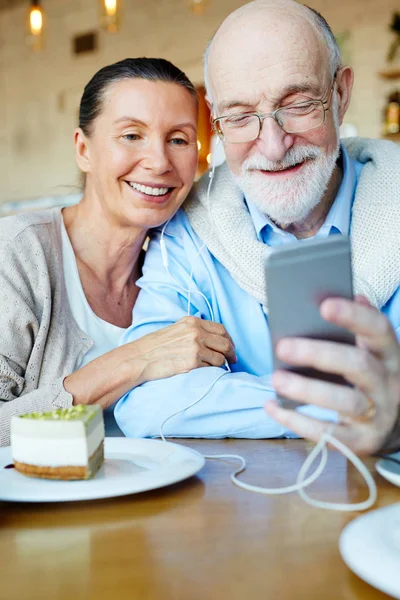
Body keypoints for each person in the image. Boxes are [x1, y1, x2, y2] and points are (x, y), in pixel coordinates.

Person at [115, 1, 400, 456]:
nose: (272, 145)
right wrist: (354, 405)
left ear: (341, 95)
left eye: (300, 103)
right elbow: (145, 403)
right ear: (216, 120)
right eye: (241, 116)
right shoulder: (188, 232)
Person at [0, 57, 236, 447]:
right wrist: (134, 361)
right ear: (83, 149)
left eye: (178, 139)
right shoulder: (17, 254)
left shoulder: (182, 267)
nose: (159, 162)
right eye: (131, 135)